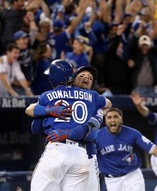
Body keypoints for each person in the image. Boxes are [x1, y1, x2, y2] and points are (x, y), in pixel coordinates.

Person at [25, 60, 112, 191]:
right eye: (82, 76)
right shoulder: (93, 97)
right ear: (72, 79)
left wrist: (47, 112)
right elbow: (108, 103)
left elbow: (35, 126)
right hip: (80, 156)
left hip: (63, 150)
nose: (86, 78)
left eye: (89, 78)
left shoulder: (48, 96)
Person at [96, 108, 157, 191]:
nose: (113, 120)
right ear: (105, 120)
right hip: (112, 180)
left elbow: (152, 148)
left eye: (116, 117)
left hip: (132, 176)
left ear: (121, 119)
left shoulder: (132, 133)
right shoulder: (97, 136)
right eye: (109, 117)